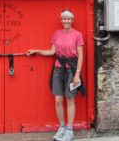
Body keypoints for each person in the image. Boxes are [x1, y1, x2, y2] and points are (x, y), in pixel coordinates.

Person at [27, 10, 85, 141]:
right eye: (64, 19)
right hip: (58, 69)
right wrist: (37, 51)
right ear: (61, 20)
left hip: (71, 69)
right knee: (58, 99)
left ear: (72, 20)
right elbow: (52, 51)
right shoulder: (57, 34)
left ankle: (69, 130)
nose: (66, 21)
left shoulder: (77, 35)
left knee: (70, 99)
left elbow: (80, 55)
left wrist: (77, 74)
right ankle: (62, 127)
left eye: (68, 19)